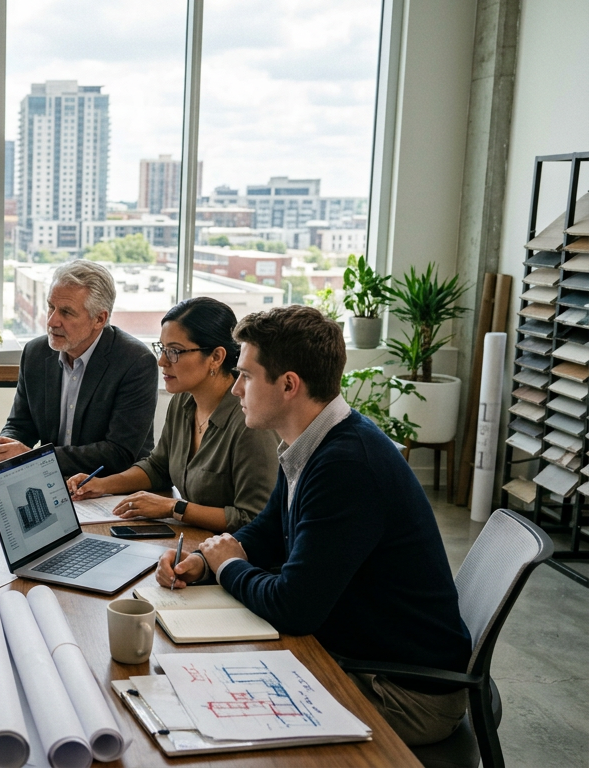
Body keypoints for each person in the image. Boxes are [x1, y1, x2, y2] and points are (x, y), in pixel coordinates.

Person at [156, 305, 472, 747]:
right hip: (357, 657)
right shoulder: (314, 442)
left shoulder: (346, 465)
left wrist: (228, 567)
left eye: (246, 376)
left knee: (220, 730)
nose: (235, 390)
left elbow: (294, 608)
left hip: (403, 694)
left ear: (289, 385)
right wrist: (203, 561)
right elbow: (265, 532)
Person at [66, 297, 278, 533]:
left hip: (239, 557)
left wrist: (173, 508)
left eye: (175, 351)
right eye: (162, 349)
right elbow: (158, 466)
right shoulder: (183, 401)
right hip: (193, 540)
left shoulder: (250, 422)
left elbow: (254, 519)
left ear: (216, 357)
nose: (162, 361)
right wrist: (102, 485)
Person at [0, 259, 157, 477]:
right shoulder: (35, 353)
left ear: (99, 319)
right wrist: (0, 448)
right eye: (51, 307)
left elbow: (119, 454)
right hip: (55, 483)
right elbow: (21, 425)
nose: (52, 321)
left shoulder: (136, 362)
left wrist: (35, 458)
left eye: (66, 313)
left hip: (114, 489)